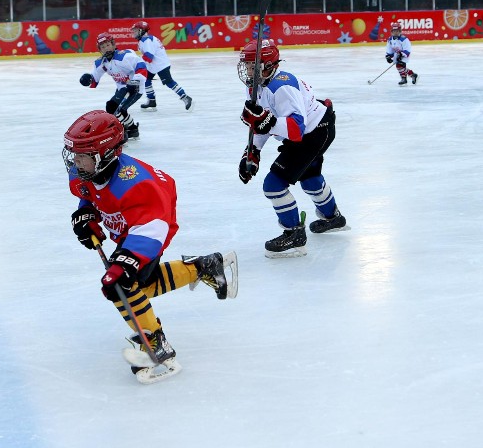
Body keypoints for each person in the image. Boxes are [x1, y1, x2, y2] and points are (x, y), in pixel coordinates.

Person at [64, 110, 237, 382]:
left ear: (105, 154)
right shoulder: (87, 171)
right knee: (138, 285)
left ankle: (156, 344)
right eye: (74, 154)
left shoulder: (137, 186)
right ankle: (203, 267)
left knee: (120, 285)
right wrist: (86, 212)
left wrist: (126, 262)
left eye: (83, 155)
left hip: (151, 227)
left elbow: (152, 228)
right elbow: (89, 193)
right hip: (131, 224)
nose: (75, 162)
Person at [236, 39, 346, 258]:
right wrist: (253, 151)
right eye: (246, 65)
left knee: (273, 185)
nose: (247, 71)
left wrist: (266, 122)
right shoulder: (255, 87)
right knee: (309, 176)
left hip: (314, 133)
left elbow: (295, 129)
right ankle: (333, 217)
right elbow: (260, 123)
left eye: (251, 66)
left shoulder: (282, 86)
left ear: (267, 65)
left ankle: (294, 234)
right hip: (314, 129)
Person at [79, 32, 147, 140]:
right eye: (103, 47)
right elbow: (94, 79)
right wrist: (88, 79)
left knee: (113, 108)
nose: (106, 48)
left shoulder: (124, 56)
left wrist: (136, 80)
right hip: (122, 89)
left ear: (113, 44)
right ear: (100, 49)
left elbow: (141, 64)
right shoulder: (101, 62)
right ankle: (133, 130)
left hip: (135, 88)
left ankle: (122, 132)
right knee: (118, 110)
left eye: (108, 45)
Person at [131, 21, 193, 111]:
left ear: (142, 31)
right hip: (154, 65)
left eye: (136, 30)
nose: (134, 32)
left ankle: (185, 97)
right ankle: (151, 100)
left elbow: (149, 57)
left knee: (169, 82)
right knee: (146, 79)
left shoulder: (147, 41)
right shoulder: (145, 39)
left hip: (161, 65)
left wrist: (137, 62)